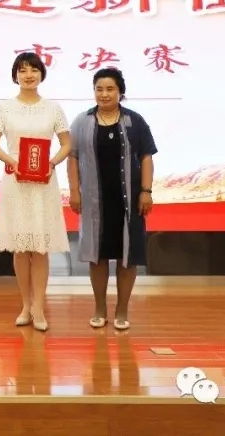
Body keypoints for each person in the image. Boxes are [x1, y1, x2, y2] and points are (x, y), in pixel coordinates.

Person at [0, 52, 71, 332]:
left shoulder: (53, 108)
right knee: (21, 248)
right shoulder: (4, 108)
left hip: (43, 181)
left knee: (40, 248)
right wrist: (11, 161)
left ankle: (39, 307)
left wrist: (52, 163)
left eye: (33, 69)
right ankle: (25, 305)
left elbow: (67, 144)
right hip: (16, 180)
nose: (28, 75)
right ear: (15, 75)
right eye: (22, 70)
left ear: (41, 74)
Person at [67, 67, 157, 331]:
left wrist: (146, 191)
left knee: (127, 256)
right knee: (97, 256)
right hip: (94, 200)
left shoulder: (135, 121)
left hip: (128, 201)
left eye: (110, 89)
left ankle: (122, 310)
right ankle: (99, 308)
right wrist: (75, 192)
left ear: (120, 92)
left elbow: (146, 157)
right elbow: (72, 158)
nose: (104, 94)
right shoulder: (82, 121)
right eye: (99, 89)